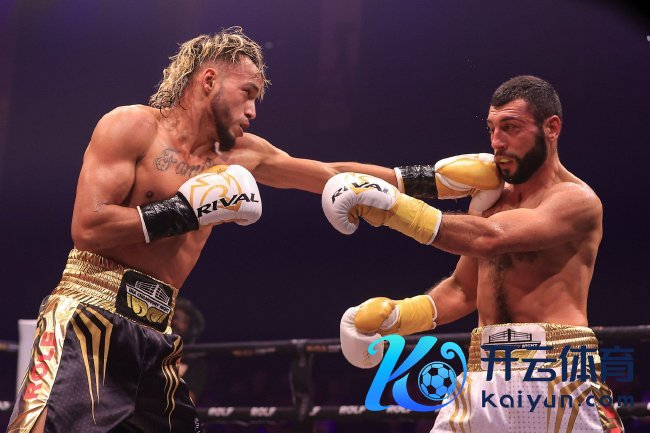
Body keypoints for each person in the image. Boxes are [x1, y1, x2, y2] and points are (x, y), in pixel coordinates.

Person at [7, 26, 501, 433]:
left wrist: (432, 180)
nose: (253, 111)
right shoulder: (132, 126)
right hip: (90, 312)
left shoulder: (242, 156)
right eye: (247, 94)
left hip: (156, 331)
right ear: (208, 80)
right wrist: (184, 211)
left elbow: (332, 175)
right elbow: (88, 228)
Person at [326, 75, 625, 432]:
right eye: (492, 129)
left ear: (551, 128)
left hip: (558, 368)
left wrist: (393, 209)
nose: (497, 142)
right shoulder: (493, 202)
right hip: (485, 366)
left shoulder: (577, 201)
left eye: (510, 127)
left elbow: (490, 238)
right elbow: (462, 289)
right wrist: (396, 317)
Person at [171, 297, 208, 404]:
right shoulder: (151, 351)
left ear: (190, 328)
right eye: (174, 317)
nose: (175, 322)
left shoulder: (195, 364)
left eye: (184, 321)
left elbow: (187, 402)